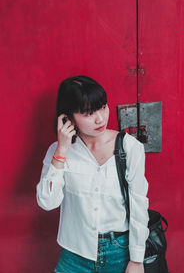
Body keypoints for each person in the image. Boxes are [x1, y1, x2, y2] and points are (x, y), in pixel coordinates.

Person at [36, 75, 149, 273]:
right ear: (68, 118)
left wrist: (137, 259)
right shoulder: (58, 151)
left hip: (120, 252)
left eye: (103, 107)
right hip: (74, 255)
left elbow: (139, 204)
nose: (100, 118)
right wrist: (62, 151)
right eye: (88, 113)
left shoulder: (130, 148)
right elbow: (47, 202)